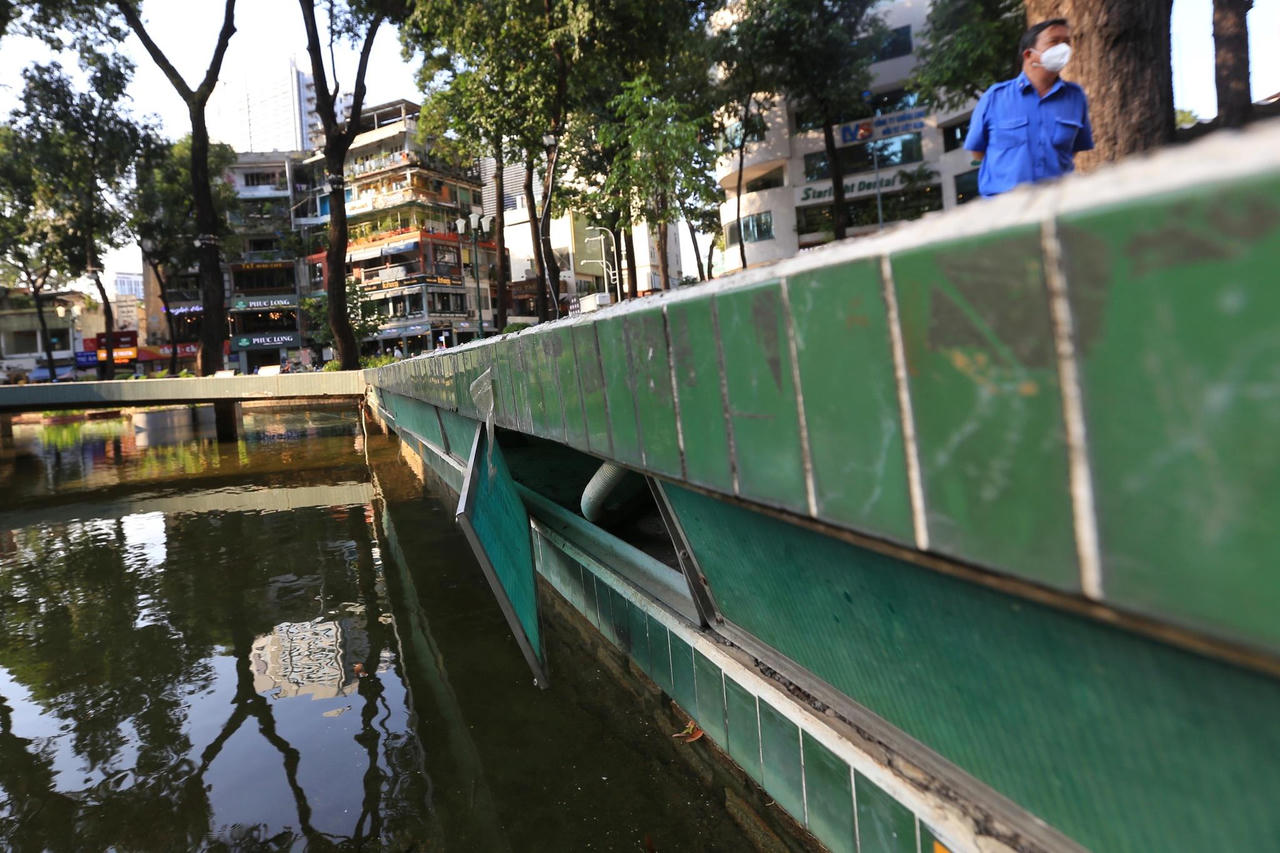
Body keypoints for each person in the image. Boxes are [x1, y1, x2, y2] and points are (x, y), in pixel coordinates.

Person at [964, 18, 1093, 197]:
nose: (1063, 49)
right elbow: (977, 152)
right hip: (1004, 208)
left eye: (1067, 43)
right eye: (1054, 42)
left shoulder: (1075, 96)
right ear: (1029, 55)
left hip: (1057, 203)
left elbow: (1075, 149)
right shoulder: (995, 98)